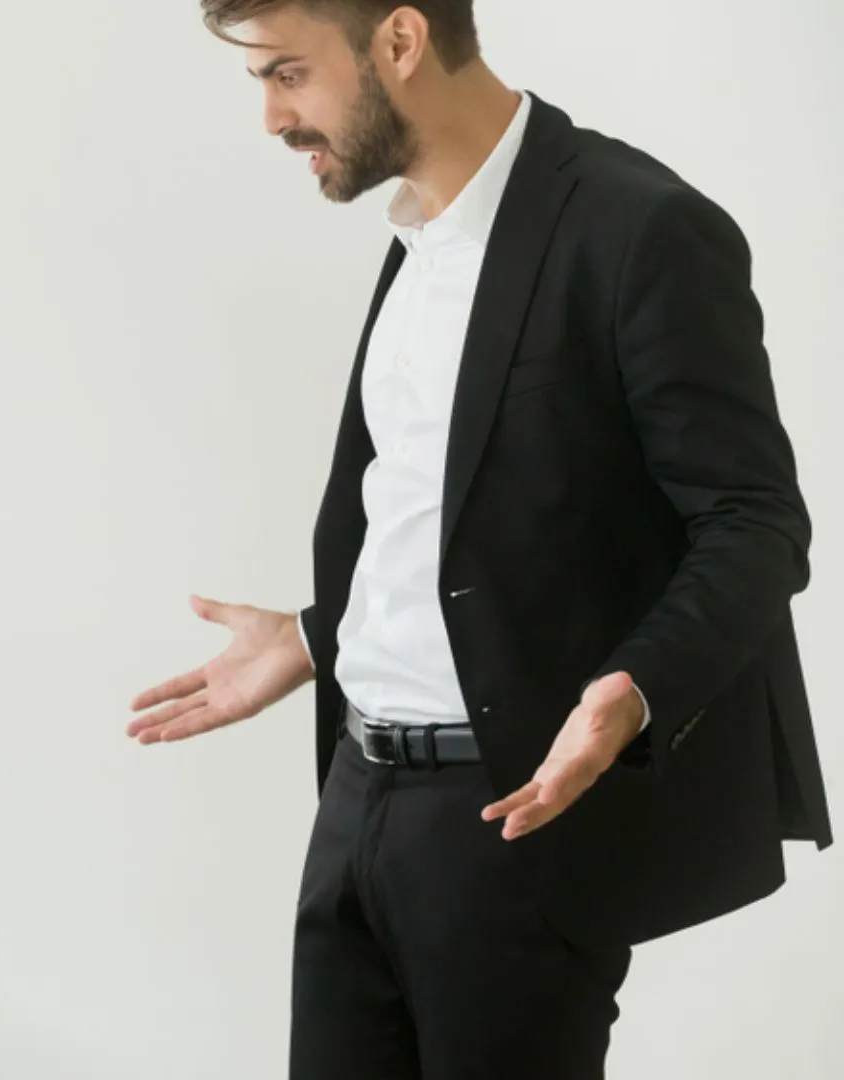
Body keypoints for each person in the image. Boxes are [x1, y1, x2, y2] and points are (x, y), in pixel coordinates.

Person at [126, 3, 830, 1077]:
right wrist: (321, 637)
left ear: (399, 44)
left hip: (509, 825)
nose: (272, 116)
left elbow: (756, 523)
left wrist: (633, 686)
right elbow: (474, 511)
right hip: (357, 798)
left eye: (289, 74)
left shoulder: (641, 229)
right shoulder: (416, 237)